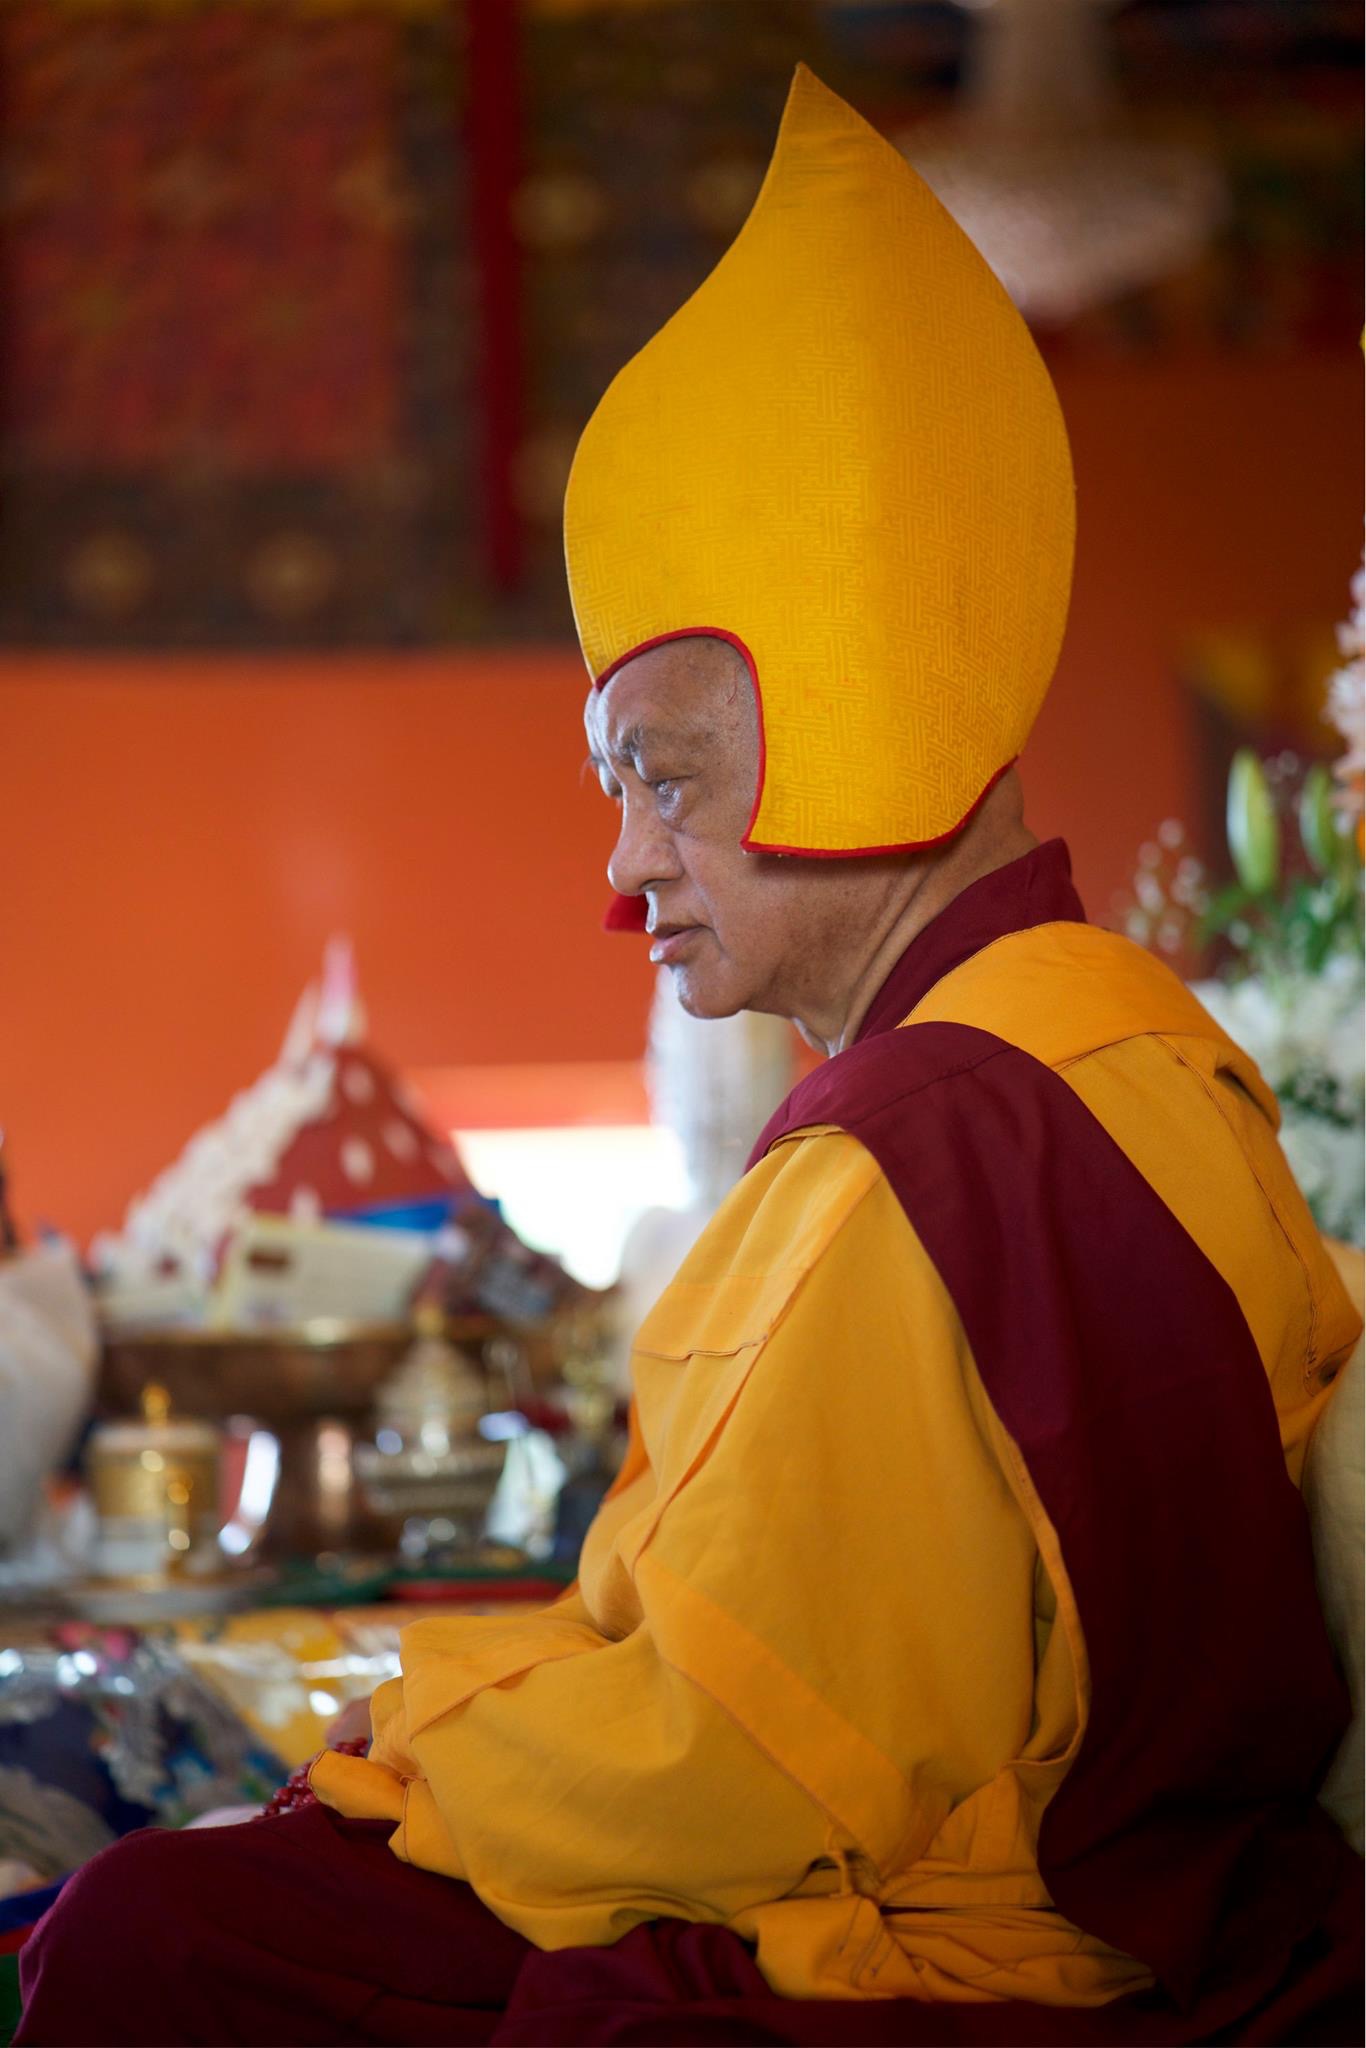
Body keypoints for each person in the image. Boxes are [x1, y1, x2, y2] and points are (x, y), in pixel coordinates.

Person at [16, 66, 1362, 2048]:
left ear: (848, 716)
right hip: (1133, 1877)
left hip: (986, 1933)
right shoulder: (1132, 1035)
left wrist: (400, 1750)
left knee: (146, 1933)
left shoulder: (920, 1143)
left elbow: (724, 1759)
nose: (624, 862)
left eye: (661, 772)